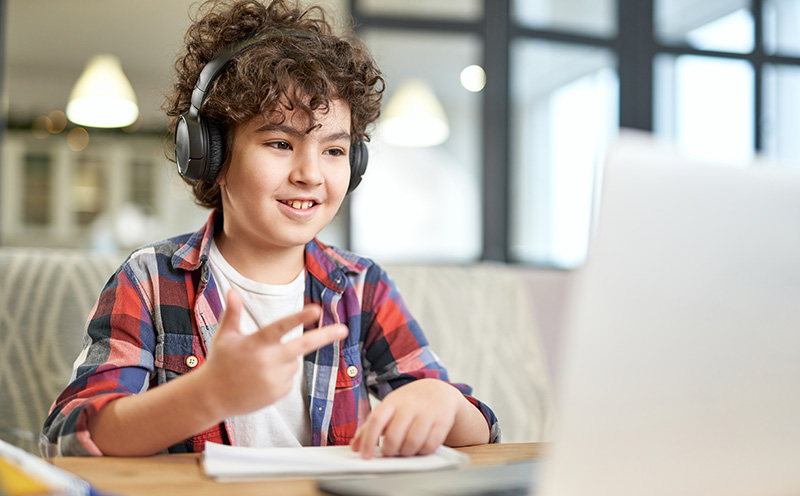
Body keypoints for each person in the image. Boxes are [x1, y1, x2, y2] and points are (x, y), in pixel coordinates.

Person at [42, 0, 500, 458]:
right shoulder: (149, 280)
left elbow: (478, 432)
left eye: (334, 151)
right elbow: (68, 437)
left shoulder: (363, 289)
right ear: (211, 156)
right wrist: (208, 395)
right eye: (281, 143)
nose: (311, 174)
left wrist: (443, 402)